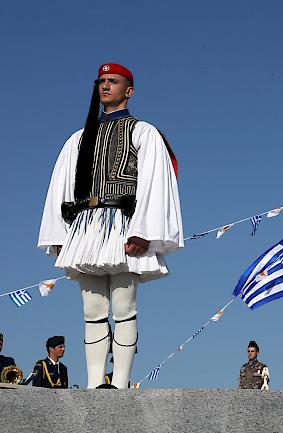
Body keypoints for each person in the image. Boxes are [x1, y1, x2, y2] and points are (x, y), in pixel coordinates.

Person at [38, 63, 184, 389]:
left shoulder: (142, 132)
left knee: (122, 303)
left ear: (128, 90)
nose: (105, 86)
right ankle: (93, 384)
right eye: (101, 81)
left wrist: (143, 230)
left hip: (123, 224)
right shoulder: (79, 138)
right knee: (92, 306)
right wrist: (60, 234)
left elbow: (154, 181)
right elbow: (61, 186)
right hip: (87, 226)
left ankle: (118, 384)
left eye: (112, 81)